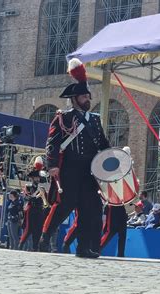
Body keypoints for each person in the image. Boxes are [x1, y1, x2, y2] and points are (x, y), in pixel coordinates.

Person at [39, 58, 109, 257]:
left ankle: (84, 247)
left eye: (88, 96)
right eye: (84, 97)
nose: (88, 99)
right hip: (69, 169)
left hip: (90, 171)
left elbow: (103, 145)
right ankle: (45, 237)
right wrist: (52, 164)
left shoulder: (95, 120)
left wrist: (113, 161)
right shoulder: (64, 117)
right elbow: (52, 142)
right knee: (63, 206)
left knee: (91, 210)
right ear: (75, 98)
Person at [19, 170, 46, 251]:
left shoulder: (42, 188)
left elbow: (45, 201)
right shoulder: (28, 186)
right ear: (32, 178)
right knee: (28, 229)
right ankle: (20, 245)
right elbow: (27, 197)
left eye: (38, 177)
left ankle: (35, 247)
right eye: (36, 177)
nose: (37, 179)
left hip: (39, 210)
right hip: (31, 209)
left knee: (38, 229)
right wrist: (37, 195)